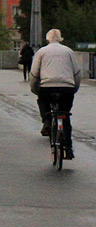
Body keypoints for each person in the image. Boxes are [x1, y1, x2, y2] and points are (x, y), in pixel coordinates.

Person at [29, 28, 82, 157]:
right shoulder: (69, 51)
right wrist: (74, 88)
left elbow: (34, 74)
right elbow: (77, 73)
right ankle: (68, 149)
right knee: (65, 115)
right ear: (60, 39)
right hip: (66, 88)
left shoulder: (41, 52)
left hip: (47, 87)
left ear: (47, 39)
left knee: (42, 100)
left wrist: (35, 90)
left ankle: (47, 121)